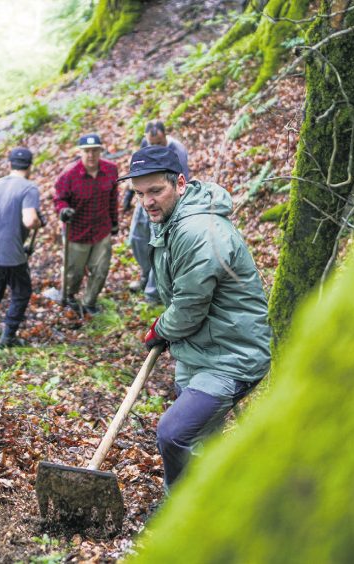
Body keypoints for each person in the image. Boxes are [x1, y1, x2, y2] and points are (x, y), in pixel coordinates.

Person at [119, 145, 271, 490]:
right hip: (199, 350)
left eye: (155, 190)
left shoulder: (197, 231)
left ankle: (182, 514)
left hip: (232, 356)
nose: (147, 202)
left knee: (173, 433)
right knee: (201, 439)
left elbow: (188, 306)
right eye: (140, 194)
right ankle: (214, 499)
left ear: (181, 183)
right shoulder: (172, 220)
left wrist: (160, 328)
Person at [0, 147, 43, 348]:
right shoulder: (29, 188)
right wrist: (38, 222)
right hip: (8, 250)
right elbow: (30, 220)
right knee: (22, 291)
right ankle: (8, 337)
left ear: (10, 165)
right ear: (30, 166)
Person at [123, 120, 190, 304]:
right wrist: (129, 196)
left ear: (165, 136)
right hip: (144, 198)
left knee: (157, 245)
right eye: (151, 143)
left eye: (159, 143)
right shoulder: (146, 144)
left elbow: (182, 182)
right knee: (137, 239)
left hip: (163, 202)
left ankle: (154, 293)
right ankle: (145, 275)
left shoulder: (177, 150)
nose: (154, 147)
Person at [53, 133, 119, 315]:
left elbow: (113, 198)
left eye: (95, 151)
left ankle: (89, 302)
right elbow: (59, 199)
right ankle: (69, 297)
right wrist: (63, 210)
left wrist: (115, 222)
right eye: (87, 151)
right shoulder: (69, 175)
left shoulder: (111, 170)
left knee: (101, 269)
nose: (91, 155)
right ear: (80, 152)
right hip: (77, 232)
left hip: (102, 229)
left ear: (100, 151)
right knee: (73, 272)